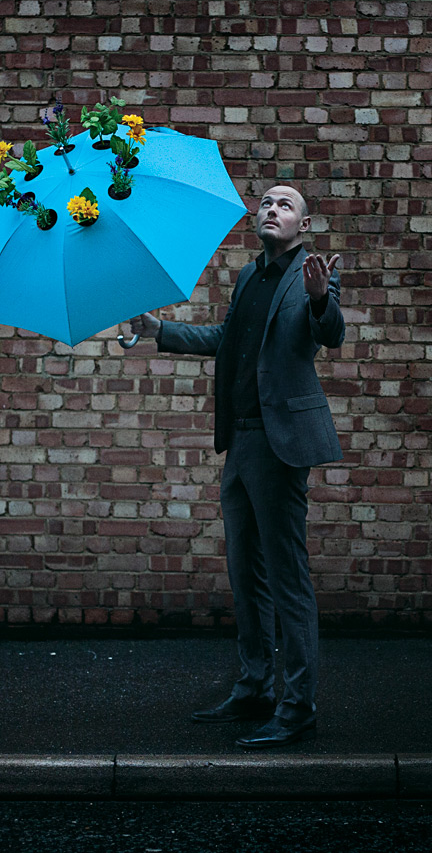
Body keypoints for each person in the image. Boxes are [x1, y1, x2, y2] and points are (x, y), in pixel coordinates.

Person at [130, 185, 345, 749]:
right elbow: (228, 340)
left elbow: (331, 334)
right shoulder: (250, 277)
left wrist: (322, 300)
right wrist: (161, 332)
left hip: (281, 446)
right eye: (267, 202)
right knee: (246, 574)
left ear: (303, 224)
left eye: (286, 204)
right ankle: (255, 687)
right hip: (241, 440)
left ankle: (298, 707)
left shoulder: (313, 273)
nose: (272, 209)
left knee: (287, 577)